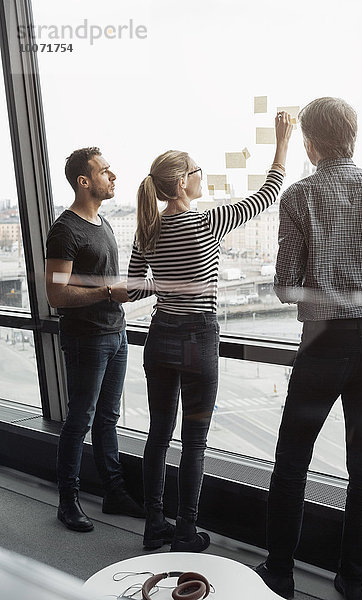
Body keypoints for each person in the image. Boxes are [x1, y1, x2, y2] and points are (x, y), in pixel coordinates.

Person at [127, 113, 292, 552]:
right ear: (182, 182)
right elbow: (268, 193)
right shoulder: (206, 222)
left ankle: (153, 526)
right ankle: (185, 530)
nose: (203, 178)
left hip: (159, 336)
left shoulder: (147, 230)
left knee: (158, 436)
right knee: (194, 442)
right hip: (198, 338)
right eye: (198, 171)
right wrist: (282, 142)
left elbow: (130, 289)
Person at [255, 98, 362, 600]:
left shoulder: (300, 196)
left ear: (310, 145)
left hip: (323, 346)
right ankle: (353, 580)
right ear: (353, 138)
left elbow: (285, 286)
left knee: (293, 462)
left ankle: (280, 573)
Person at [45, 147, 145, 532]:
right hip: (87, 339)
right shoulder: (65, 230)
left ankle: (114, 493)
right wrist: (107, 294)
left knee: (108, 419)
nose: (113, 175)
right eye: (105, 171)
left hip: (115, 334)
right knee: (80, 420)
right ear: (84, 181)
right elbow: (57, 295)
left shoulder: (102, 223)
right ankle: (67, 502)